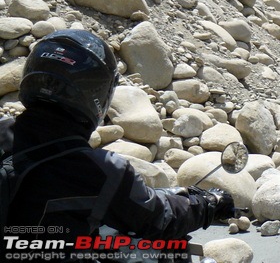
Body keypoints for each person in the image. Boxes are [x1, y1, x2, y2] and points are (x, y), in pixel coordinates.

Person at [2, 29, 235, 259]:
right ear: (98, 93)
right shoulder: (100, 171)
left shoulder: (3, 132)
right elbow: (159, 218)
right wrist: (208, 204)